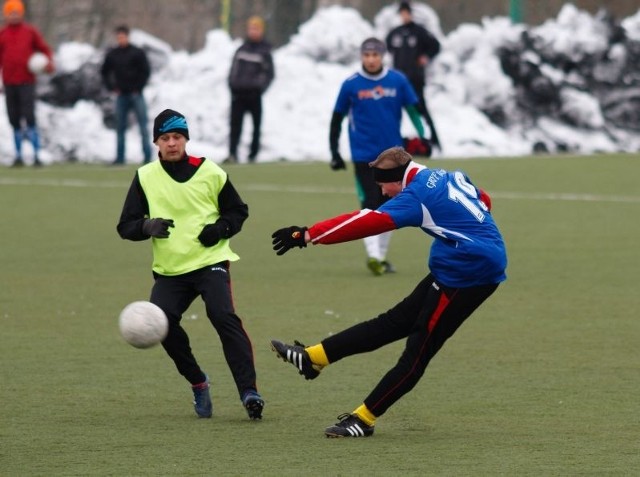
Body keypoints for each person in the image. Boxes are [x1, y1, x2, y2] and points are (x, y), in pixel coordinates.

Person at [270, 146, 507, 438]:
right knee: (394, 322)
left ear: (397, 178)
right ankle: (313, 358)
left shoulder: (414, 197)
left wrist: (307, 234)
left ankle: (364, 419)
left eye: (383, 185)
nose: (383, 193)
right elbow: (482, 198)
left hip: (470, 274)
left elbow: (366, 221)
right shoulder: (441, 175)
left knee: (418, 350)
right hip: (459, 264)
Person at [116, 109, 264, 420]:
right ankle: (198, 381)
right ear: (156, 141)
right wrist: (146, 227)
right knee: (164, 327)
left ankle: (249, 391)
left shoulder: (211, 171)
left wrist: (220, 229)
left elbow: (238, 211)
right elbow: (125, 226)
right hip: (171, 271)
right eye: (166, 138)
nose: (172, 143)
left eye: (178, 137)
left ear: (186, 139)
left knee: (223, 316)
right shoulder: (145, 176)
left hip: (211, 261)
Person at [329, 37, 425, 276]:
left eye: (375, 55)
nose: (371, 59)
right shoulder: (351, 85)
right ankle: (374, 256)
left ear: (382, 56)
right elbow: (336, 119)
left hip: (394, 156)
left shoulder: (398, 80)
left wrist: (422, 136)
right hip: (364, 155)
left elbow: (413, 111)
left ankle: (379, 257)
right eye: (367, 55)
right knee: (369, 204)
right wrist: (334, 151)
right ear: (362, 57)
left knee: (390, 206)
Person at [0, 0, 54, 167]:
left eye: (16, 12)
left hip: (27, 82)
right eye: (11, 12)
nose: (14, 15)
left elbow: (45, 50)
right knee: (14, 119)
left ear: (21, 13)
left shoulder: (30, 32)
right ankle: (18, 156)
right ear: (6, 14)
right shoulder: (3, 34)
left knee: (29, 118)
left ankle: (37, 154)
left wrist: (48, 64)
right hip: (9, 83)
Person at [386, 1, 442, 151]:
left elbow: (436, 46)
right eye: (402, 13)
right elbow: (388, 50)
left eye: (407, 13)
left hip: (415, 80)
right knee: (393, 111)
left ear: (410, 14)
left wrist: (426, 57)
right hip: (398, 82)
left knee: (420, 110)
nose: (404, 16)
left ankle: (432, 142)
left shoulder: (419, 32)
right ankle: (392, 143)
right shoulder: (394, 33)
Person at [225, 16, 274, 164]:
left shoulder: (265, 51)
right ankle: (233, 153)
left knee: (256, 126)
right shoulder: (241, 49)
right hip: (238, 94)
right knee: (235, 125)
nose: (253, 32)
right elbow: (233, 70)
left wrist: (260, 88)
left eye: (256, 29)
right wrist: (232, 85)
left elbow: (270, 74)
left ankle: (253, 155)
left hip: (254, 95)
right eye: (251, 28)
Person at [101, 24, 152, 165]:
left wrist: (139, 87)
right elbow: (104, 72)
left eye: (123, 37)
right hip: (121, 95)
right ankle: (120, 158)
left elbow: (146, 71)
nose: (121, 39)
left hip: (136, 94)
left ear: (128, 37)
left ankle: (147, 157)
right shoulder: (113, 54)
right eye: (118, 37)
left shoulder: (137, 52)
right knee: (120, 128)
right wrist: (112, 87)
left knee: (143, 127)